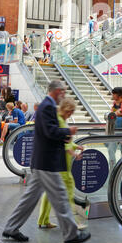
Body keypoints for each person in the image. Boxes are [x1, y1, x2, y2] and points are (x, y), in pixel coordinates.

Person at [2, 80, 90, 243]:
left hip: (41, 162)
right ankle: (71, 234)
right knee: (61, 197)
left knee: (29, 199)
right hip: (47, 162)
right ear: (56, 91)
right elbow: (50, 132)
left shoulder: (46, 105)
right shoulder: (48, 106)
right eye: (63, 91)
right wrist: (68, 131)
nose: (64, 95)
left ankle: (11, 228)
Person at [37, 98, 85, 229]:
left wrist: (75, 146)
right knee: (68, 193)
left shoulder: (59, 119)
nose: (71, 114)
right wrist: (74, 153)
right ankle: (72, 223)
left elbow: (65, 141)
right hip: (62, 164)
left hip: (56, 163)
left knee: (50, 193)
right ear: (65, 109)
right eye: (70, 112)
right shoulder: (60, 121)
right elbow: (62, 143)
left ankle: (43, 220)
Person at [107, 87, 122, 170]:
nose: (113, 95)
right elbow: (112, 115)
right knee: (111, 149)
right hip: (115, 130)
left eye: (114, 94)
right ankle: (113, 168)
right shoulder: (115, 103)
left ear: (120, 95)